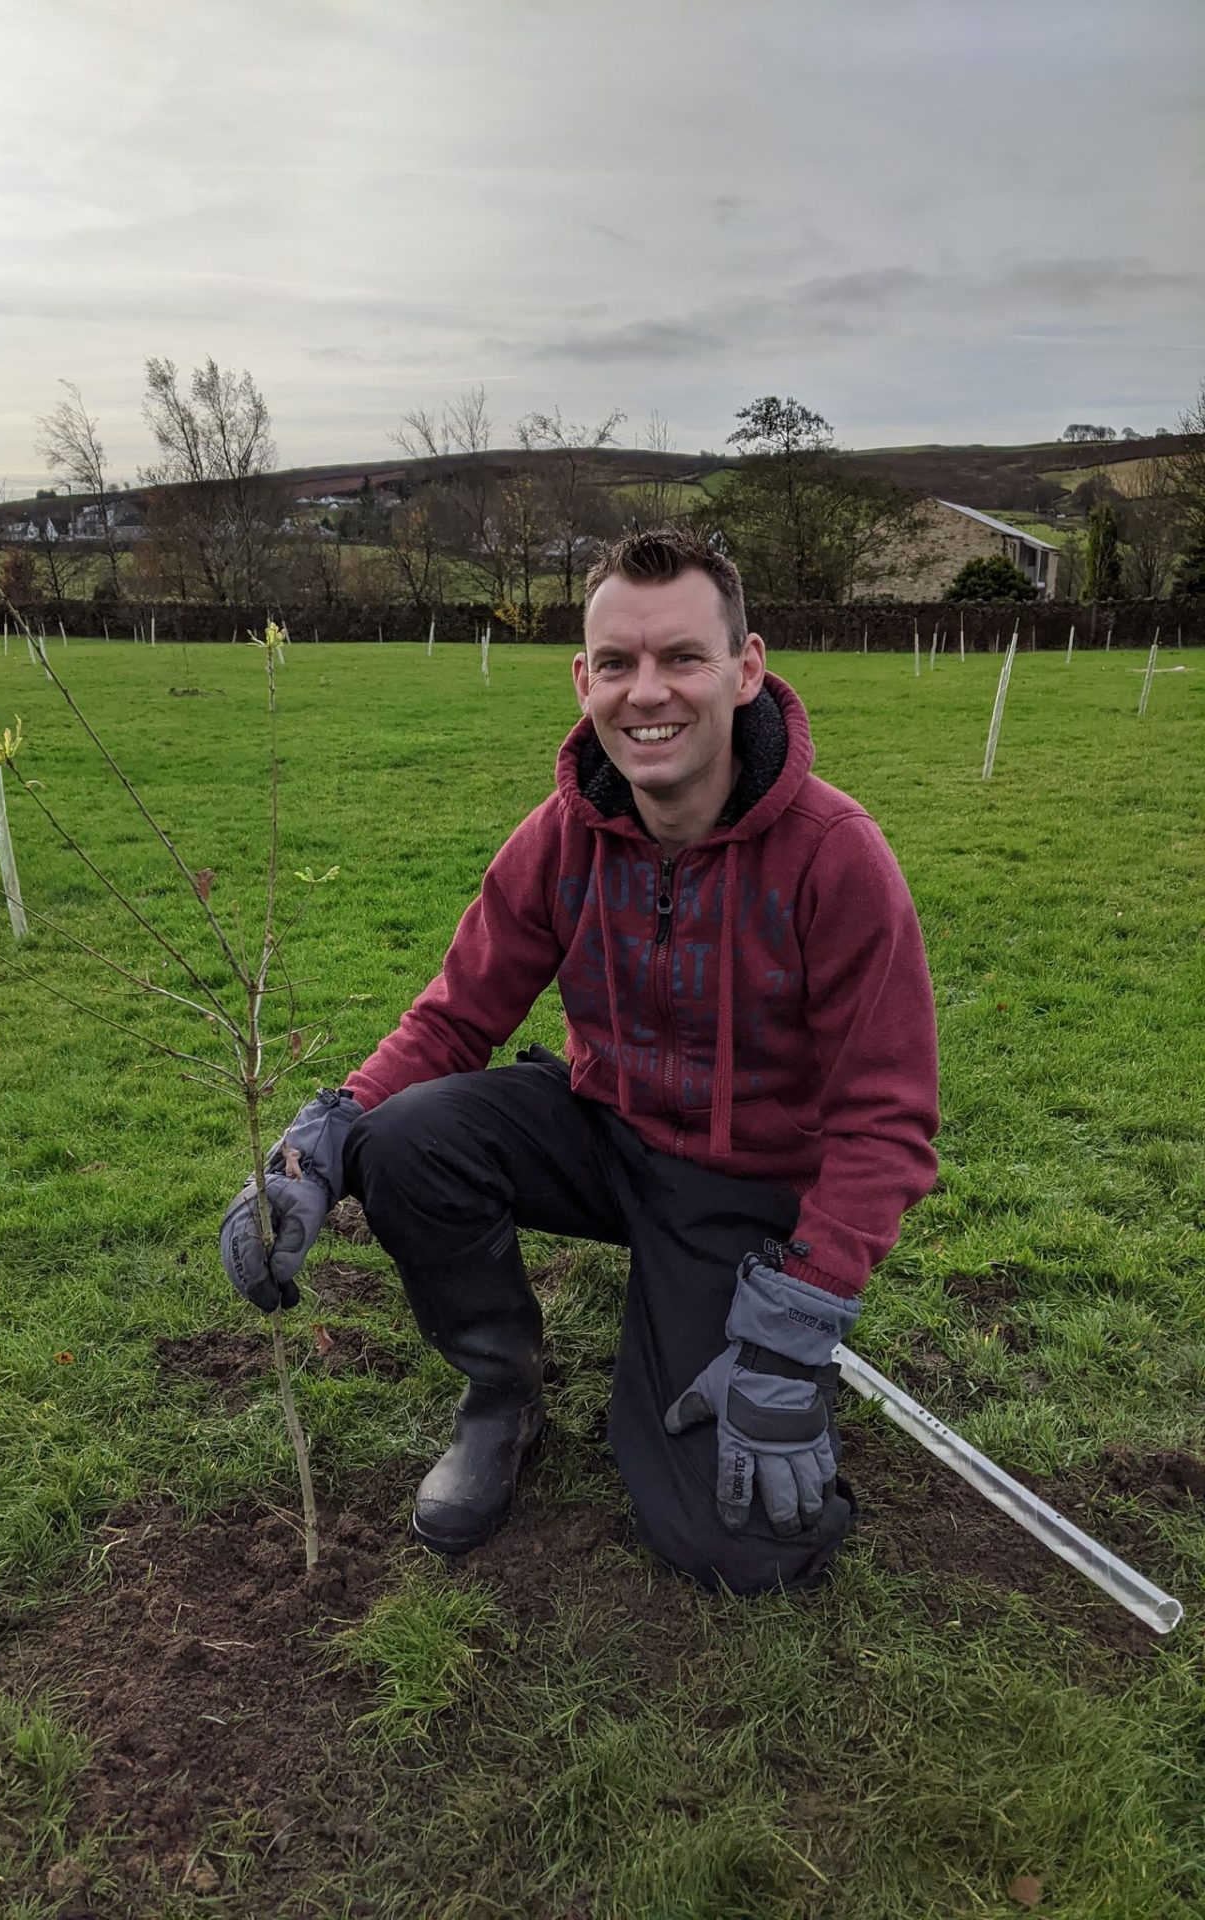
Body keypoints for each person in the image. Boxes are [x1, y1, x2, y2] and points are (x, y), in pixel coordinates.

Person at [221, 525, 939, 1595]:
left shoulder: (836, 858)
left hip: (741, 1187)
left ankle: (725, 1332)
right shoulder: (562, 836)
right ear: (584, 679)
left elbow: (888, 1118)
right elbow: (454, 1021)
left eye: (682, 658)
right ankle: (501, 1394)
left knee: (738, 1547)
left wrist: (801, 1318)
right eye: (618, 663)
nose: (648, 692)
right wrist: (322, 1132)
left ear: (744, 670)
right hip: (603, 1131)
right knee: (406, 1138)